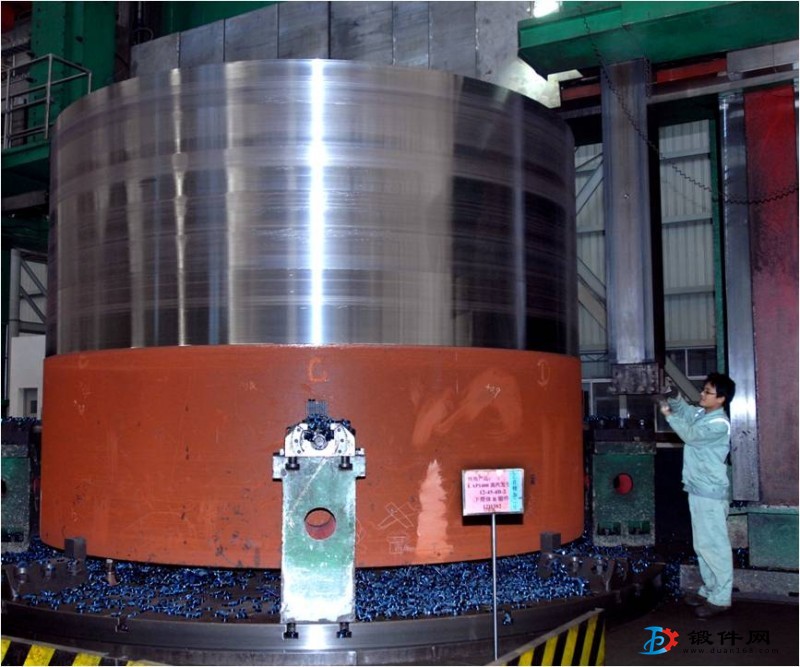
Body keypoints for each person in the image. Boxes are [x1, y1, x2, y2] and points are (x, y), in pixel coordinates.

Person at [659, 372, 736, 619]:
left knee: (715, 546)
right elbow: (688, 412)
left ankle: (721, 598)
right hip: (698, 490)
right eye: (703, 390)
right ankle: (710, 590)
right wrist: (673, 396)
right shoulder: (704, 414)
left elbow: (690, 435)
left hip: (710, 494)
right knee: (703, 545)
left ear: (721, 399)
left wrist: (668, 414)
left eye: (708, 392)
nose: (702, 394)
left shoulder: (719, 424)